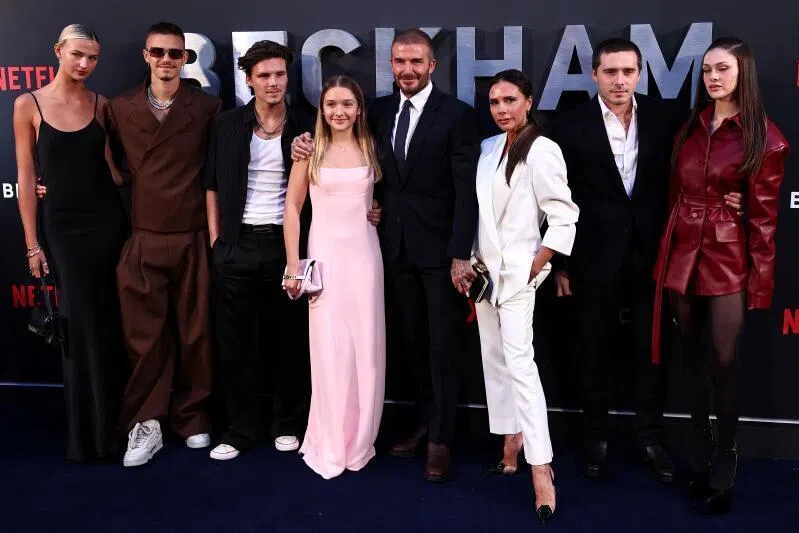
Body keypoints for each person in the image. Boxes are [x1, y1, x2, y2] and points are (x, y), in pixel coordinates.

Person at [547, 38, 743, 483]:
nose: (619, 81)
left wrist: (738, 196)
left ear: (639, 74)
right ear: (594, 75)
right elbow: (552, 200)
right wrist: (560, 264)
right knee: (591, 349)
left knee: (652, 352)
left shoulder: (668, 118)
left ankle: (650, 438)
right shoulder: (567, 127)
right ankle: (596, 438)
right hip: (591, 258)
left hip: (655, 256)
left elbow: (702, 168)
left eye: (628, 72)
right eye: (610, 72)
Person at [292, 29, 480, 482]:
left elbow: (466, 192)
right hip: (390, 250)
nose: (407, 70)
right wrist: (303, 143)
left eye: (416, 61)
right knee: (410, 343)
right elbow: (352, 156)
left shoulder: (457, 115)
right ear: (391, 65)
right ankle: (423, 421)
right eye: (400, 62)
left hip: (439, 254)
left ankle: (441, 440)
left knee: (442, 347)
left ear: (432, 65)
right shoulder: (376, 111)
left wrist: (460, 254)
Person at [652, 37, 789, 514]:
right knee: (690, 358)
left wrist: (761, 284)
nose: (713, 77)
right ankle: (701, 447)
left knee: (724, 361)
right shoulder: (689, 127)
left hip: (729, 259)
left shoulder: (765, 138)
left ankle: (728, 454)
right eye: (708, 69)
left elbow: (766, 222)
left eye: (723, 69)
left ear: (743, 73)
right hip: (682, 251)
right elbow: (674, 193)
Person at [107, 22, 221, 467]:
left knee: (196, 333)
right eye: (159, 52)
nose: (167, 60)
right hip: (144, 235)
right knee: (144, 337)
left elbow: (219, 172)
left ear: (187, 59)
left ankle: (193, 417)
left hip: (193, 234)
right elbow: (107, 165)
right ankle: (147, 421)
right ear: (146, 55)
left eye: (176, 53)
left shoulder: (207, 107)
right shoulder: (119, 107)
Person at [13, 24, 127, 463]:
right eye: (77, 54)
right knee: (78, 327)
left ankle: (114, 428)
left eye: (92, 58)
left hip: (108, 224)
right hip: (63, 228)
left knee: (110, 323)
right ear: (58, 50)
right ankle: (87, 437)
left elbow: (113, 170)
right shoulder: (28, 103)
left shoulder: (102, 104)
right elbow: (26, 176)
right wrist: (32, 244)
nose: (84, 64)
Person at [471, 69, 578, 524]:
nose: (502, 109)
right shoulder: (487, 148)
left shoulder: (543, 149)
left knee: (521, 366)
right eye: (495, 102)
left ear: (529, 101)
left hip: (518, 276)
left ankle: (541, 467)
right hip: (482, 275)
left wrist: (539, 262)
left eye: (510, 100)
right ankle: (509, 438)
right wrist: (471, 262)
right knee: (494, 359)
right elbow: (480, 214)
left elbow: (564, 215)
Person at [283, 75, 385, 479]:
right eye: (331, 104)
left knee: (366, 348)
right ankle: (329, 437)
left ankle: (360, 439)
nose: (339, 111)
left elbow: (386, 195)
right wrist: (293, 264)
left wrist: (378, 208)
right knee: (328, 349)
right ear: (321, 109)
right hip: (324, 257)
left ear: (359, 109)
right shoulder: (309, 150)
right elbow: (292, 209)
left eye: (347, 104)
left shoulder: (372, 146)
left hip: (365, 257)